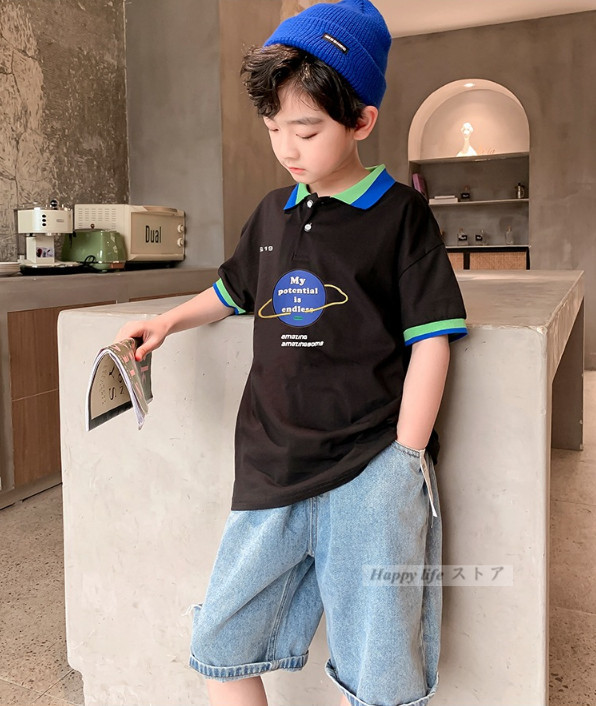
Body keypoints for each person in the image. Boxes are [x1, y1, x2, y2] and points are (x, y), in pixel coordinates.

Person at [117, 2, 467, 705]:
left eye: (305, 130)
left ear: (360, 120)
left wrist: (404, 458)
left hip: (369, 469)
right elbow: (232, 291)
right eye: (274, 128)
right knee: (220, 645)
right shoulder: (273, 211)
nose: (286, 147)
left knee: (378, 671)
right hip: (271, 466)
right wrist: (168, 321)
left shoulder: (401, 216)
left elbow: (432, 338)